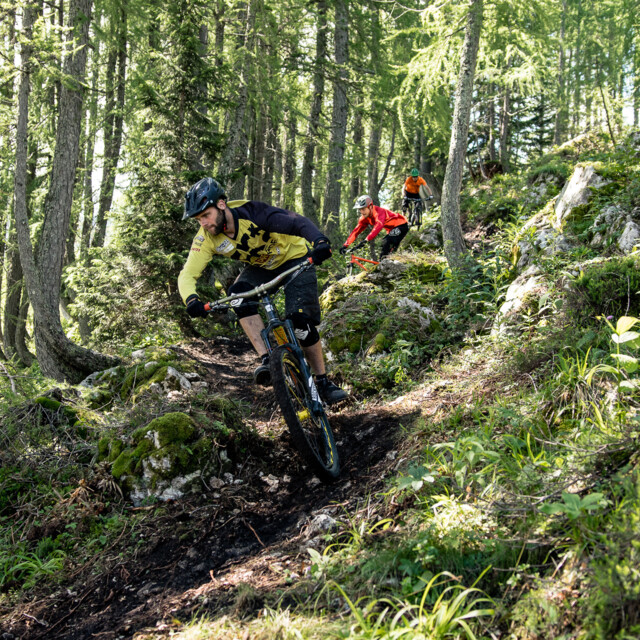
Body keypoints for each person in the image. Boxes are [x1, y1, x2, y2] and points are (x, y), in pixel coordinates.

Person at [177, 177, 348, 405]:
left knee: (300, 321)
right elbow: (187, 274)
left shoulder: (253, 213)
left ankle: (323, 382)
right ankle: (269, 359)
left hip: (294, 258)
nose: (203, 223)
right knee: (238, 295)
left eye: (205, 216)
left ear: (220, 204)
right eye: (198, 219)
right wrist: (191, 299)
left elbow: (296, 222)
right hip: (262, 267)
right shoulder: (205, 238)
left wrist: (319, 241)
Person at [339, 195, 409, 260]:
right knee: (386, 248)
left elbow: (378, 226)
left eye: (363, 209)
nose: (362, 212)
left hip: (401, 225)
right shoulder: (364, 218)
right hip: (391, 229)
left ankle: (384, 264)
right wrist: (345, 245)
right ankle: (387, 263)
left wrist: (366, 240)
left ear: (370, 207)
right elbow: (356, 231)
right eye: (360, 210)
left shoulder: (379, 212)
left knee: (386, 242)